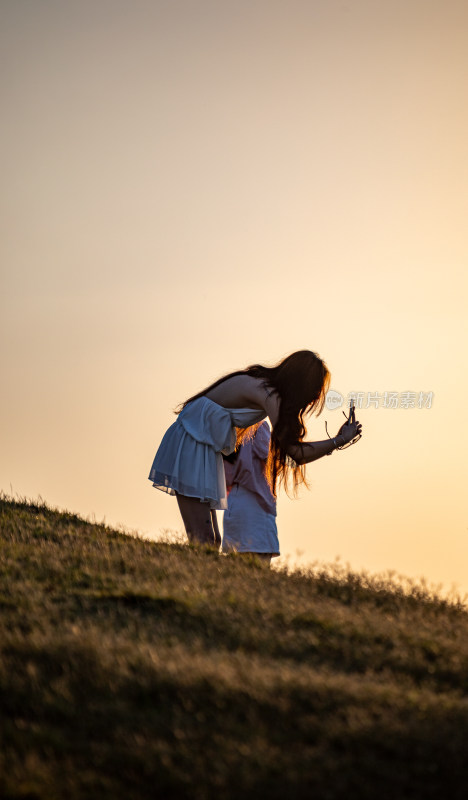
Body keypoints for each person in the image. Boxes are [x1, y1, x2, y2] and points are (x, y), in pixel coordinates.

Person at [148, 350, 362, 546]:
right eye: (314, 390)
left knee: (211, 541)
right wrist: (338, 440)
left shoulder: (264, 386)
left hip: (201, 445)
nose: (315, 397)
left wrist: (338, 440)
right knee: (203, 539)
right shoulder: (268, 394)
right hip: (192, 443)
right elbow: (295, 453)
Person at [223, 421, 279, 566]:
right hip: (255, 506)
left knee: (236, 571)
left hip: (233, 505)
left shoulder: (228, 428)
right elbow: (273, 458)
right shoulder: (258, 426)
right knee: (259, 572)